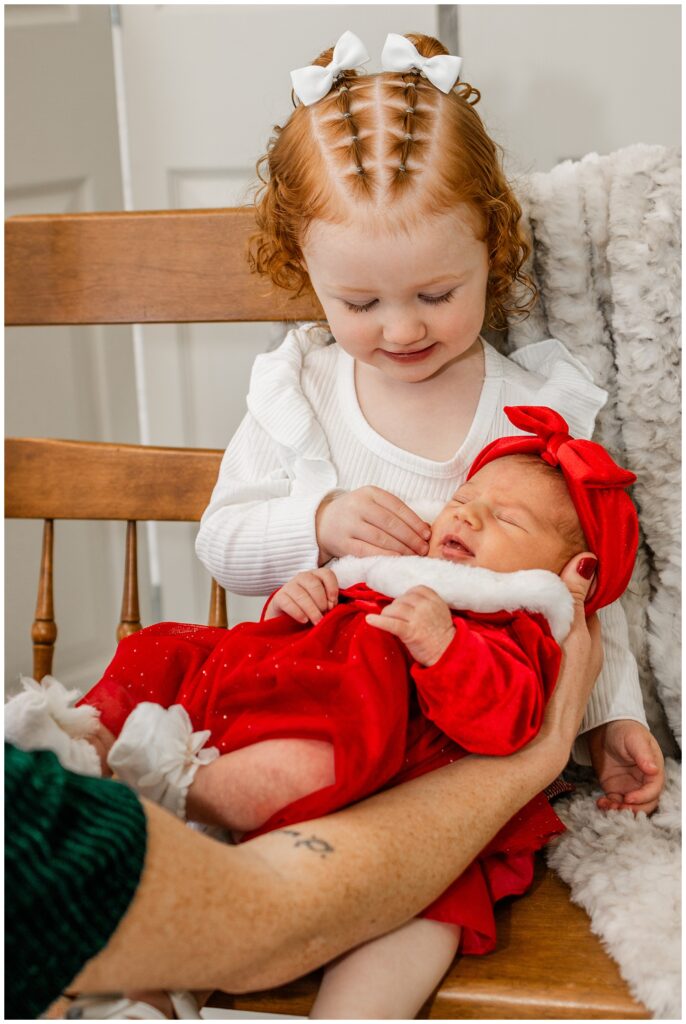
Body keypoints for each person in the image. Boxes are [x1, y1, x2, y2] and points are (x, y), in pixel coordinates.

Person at [8, 408, 664, 1019]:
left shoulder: (517, 625)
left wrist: (446, 647)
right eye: (464, 502)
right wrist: (301, 597)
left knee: (416, 927)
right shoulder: (393, 574)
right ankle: (147, 974)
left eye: (508, 520)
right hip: (309, 753)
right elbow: (292, 659)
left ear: (567, 573)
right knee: (171, 662)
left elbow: (505, 723)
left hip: (419, 806)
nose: (467, 517)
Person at [194, 30, 651, 787]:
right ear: (304, 268)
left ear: (493, 251)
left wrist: (610, 716)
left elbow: (582, 589)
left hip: (472, 753)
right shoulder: (301, 392)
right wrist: (315, 522)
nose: (403, 329)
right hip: (320, 720)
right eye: (360, 302)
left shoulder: (535, 413)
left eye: (437, 295)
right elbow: (221, 541)